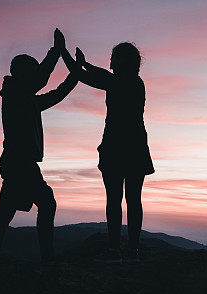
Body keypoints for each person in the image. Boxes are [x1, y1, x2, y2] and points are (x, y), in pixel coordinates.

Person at [0, 28, 77, 262]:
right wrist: (56, 51)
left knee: (7, 210)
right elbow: (42, 81)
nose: (35, 75)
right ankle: (46, 257)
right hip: (19, 162)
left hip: (17, 161)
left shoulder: (22, 98)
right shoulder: (15, 93)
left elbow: (54, 95)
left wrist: (74, 76)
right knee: (46, 203)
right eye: (32, 71)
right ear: (21, 73)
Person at [62, 42, 154, 262]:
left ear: (120, 61)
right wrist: (86, 64)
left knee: (115, 199)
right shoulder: (135, 82)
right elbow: (101, 75)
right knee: (133, 199)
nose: (110, 62)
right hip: (135, 146)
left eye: (113, 58)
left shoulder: (118, 82)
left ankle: (115, 249)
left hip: (116, 146)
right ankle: (132, 249)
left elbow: (82, 76)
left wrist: (62, 52)